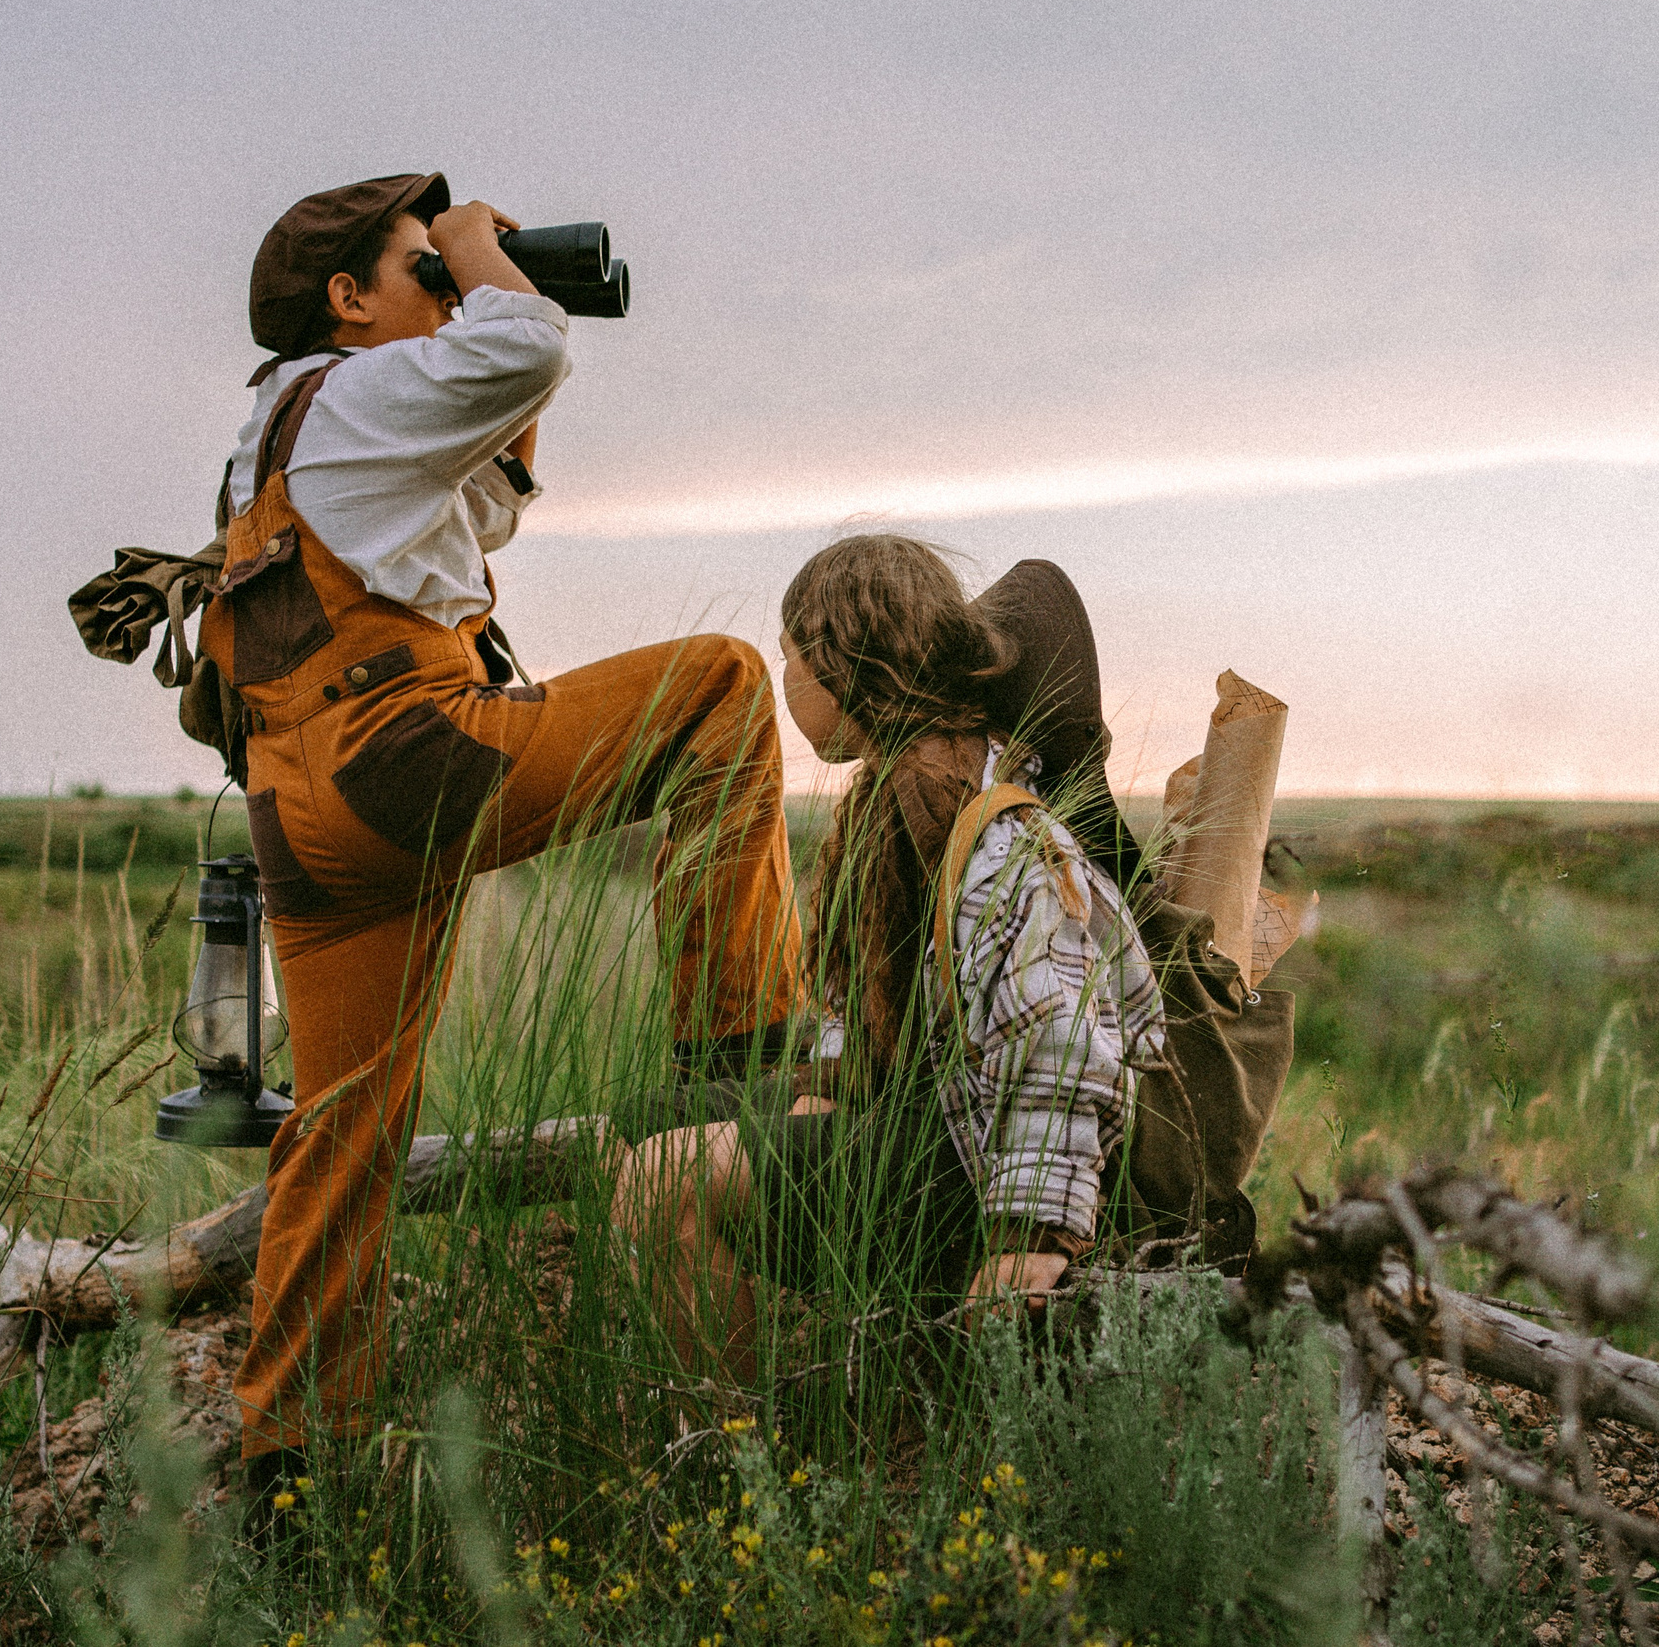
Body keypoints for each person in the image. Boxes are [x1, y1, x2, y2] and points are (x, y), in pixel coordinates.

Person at [210, 173, 803, 1493]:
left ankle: (290, 1461)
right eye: (416, 265)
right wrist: (485, 258)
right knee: (718, 685)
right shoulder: (350, 393)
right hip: (401, 759)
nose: (443, 282)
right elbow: (526, 346)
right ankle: (739, 1051)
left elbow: (481, 505)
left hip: (304, 816)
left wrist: (486, 295)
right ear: (347, 297)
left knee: (344, 1126)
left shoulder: (282, 426)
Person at [613, 534, 1169, 1383]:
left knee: (666, 1180)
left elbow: (1056, 1046)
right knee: (647, 1121)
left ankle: (738, 1445)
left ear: (842, 663)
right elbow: (871, 1001)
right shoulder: (896, 799)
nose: (785, 680)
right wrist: (836, 1084)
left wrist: (1030, 1236)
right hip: (944, 1113)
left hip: (990, 1158)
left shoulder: (997, 836)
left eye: (791, 655)